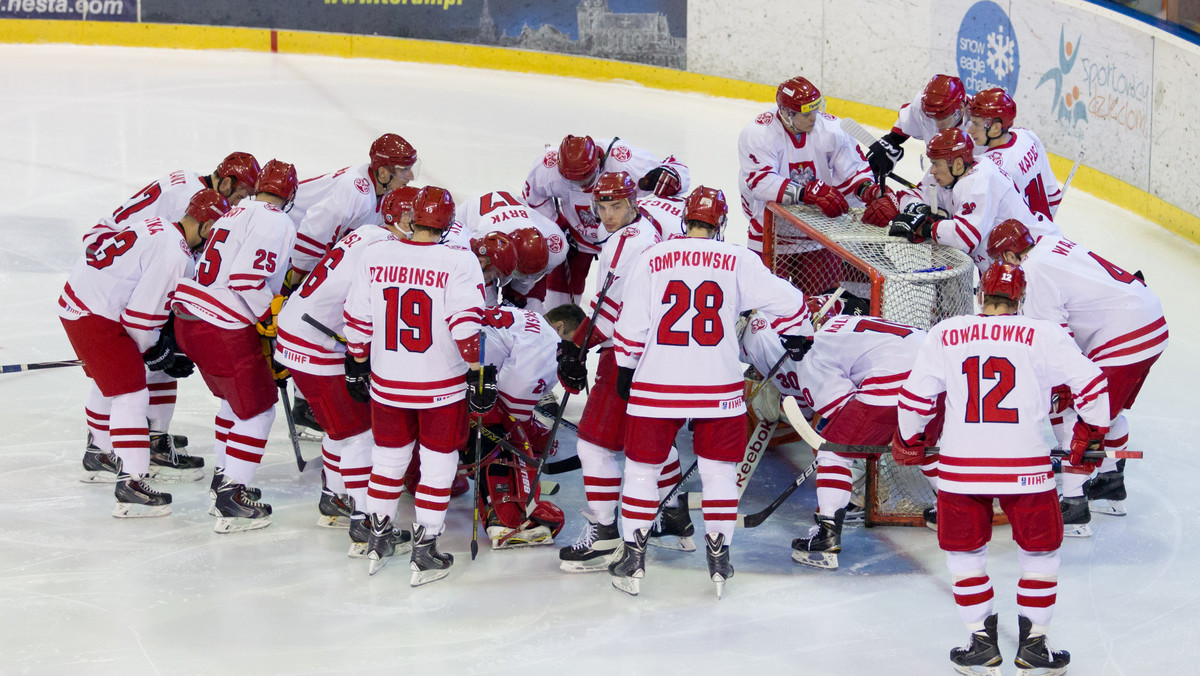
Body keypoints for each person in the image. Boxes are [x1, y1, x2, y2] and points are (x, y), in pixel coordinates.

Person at [894, 261, 1110, 676]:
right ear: (1021, 299)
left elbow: (915, 400)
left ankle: (980, 645)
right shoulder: (1043, 334)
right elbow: (1094, 384)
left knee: (964, 555)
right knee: (1040, 555)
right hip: (1025, 467)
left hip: (960, 470)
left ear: (980, 296)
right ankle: (1033, 648)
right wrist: (1091, 432)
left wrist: (910, 438)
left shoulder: (946, 333)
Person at [608, 185, 813, 598]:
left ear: (685, 220)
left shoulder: (654, 257)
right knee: (719, 472)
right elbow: (791, 301)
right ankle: (719, 557)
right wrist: (798, 333)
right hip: (716, 386)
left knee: (642, 472)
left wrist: (627, 367)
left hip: (657, 384)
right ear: (720, 224)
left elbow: (630, 328)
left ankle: (632, 559)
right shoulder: (738, 259)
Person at [341, 186, 493, 585]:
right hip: (439, 385)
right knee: (438, 463)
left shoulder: (376, 254)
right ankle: (425, 549)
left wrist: (358, 362)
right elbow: (465, 326)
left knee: (388, 460)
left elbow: (357, 320)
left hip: (388, 382)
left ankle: (377, 537)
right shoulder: (459, 260)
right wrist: (478, 372)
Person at [78, 151, 260, 482]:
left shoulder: (196, 191)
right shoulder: (188, 202)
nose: (239, 204)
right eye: (241, 194)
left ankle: (148, 438)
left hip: (122, 259)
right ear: (228, 181)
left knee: (157, 355)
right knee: (131, 359)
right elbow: (173, 261)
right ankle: (107, 444)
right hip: (120, 271)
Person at [987, 219, 1167, 534]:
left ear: (1011, 255)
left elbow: (1056, 338)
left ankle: (1073, 505)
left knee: (1074, 409)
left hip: (1126, 334)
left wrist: (1059, 385)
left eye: (1002, 260)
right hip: (1150, 320)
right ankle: (1110, 482)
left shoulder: (1034, 269)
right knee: (1108, 410)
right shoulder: (1050, 244)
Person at [60, 189, 231, 516]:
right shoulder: (175, 253)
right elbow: (140, 321)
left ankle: (99, 452)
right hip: (94, 314)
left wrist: (154, 346)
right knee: (131, 393)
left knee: (114, 378)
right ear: (207, 226)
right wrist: (155, 350)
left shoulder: (162, 226)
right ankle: (132, 484)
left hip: (82, 302)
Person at [554, 171, 692, 573]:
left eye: (617, 206)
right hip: (674, 355)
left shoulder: (624, 245)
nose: (609, 215)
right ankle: (674, 516)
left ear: (633, 203)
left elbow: (608, 314)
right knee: (650, 442)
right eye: (603, 207)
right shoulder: (661, 220)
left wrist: (575, 347)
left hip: (630, 355)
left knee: (594, 446)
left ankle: (605, 535)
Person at [274, 187, 418, 555]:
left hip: (300, 331)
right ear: (403, 219)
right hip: (317, 343)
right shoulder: (385, 250)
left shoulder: (368, 232)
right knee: (360, 434)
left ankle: (334, 497)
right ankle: (365, 522)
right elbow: (363, 311)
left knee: (340, 429)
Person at [171, 159, 299, 534]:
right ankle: (232, 495)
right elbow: (246, 279)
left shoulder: (234, 210)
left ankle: (223, 480)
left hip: (189, 320)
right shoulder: (276, 220)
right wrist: (271, 323)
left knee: (234, 403)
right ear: (288, 195)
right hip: (221, 326)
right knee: (258, 410)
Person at [282, 133, 419, 438]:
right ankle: (306, 404)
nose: (410, 177)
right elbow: (313, 233)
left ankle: (307, 403)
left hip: (305, 247)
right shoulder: (355, 190)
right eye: (403, 170)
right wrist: (297, 279)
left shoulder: (377, 189)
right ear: (383, 172)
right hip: (287, 241)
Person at [737, 76, 888, 291]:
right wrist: (805, 192)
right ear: (787, 114)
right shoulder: (759, 133)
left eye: (815, 111)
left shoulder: (831, 129)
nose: (814, 119)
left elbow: (853, 169)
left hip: (817, 233)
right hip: (770, 233)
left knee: (822, 302)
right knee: (761, 303)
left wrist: (868, 191)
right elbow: (761, 182)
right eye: (807, 114)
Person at [523, 134, 690, 308]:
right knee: (557, 304)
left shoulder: (623, 159)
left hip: (625, 234)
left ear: (598, 162)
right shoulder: (546, 167)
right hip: (576, 234)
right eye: (572, 180)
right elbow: (534, 201)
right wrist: (555, 227)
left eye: (586, 179)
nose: (581, 186)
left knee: (627, 296)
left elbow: (675, 167)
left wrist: (673, 177)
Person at [882, 128, 1060, 273]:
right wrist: (921, 210)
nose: (932, 171)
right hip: (1007, 262)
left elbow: (965, 238)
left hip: (1035, 258)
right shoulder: (948, 173)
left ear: (958, 164)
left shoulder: (978, 180)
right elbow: (910, 195)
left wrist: (924, 227)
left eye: (937, 164)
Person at [472, 304, 566, 548]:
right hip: (461, 380)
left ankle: (421, 478)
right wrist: (534, 435)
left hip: (413, 370)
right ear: (561, 328)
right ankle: (508, 523)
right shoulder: (550, 340)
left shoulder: (526, 318)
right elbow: (513, 407)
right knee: (502, 433)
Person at [456, 190, 567, 312]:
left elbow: (528, 279)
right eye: (520, 273)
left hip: (509, 221)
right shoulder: (480, 240)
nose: (526, 278)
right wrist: (492, 310)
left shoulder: (557, 247)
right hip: (473, 223)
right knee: (483, 301)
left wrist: (515, 295)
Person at [967, 88, 1063, 221]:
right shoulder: (1027, 135)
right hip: (1043, 231)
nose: (970, 130)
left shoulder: (990, 168)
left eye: (976, 124)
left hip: (1018, 238)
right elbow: (1053, 196)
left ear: (996, 128)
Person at [865, 74, 973, 181]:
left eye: (942, 118)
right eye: (932, 118)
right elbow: (906, 124)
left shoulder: (978, 122)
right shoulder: (921, 106)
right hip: (940, 174)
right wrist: (890, 144)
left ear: (961, 109)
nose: (937, 125)